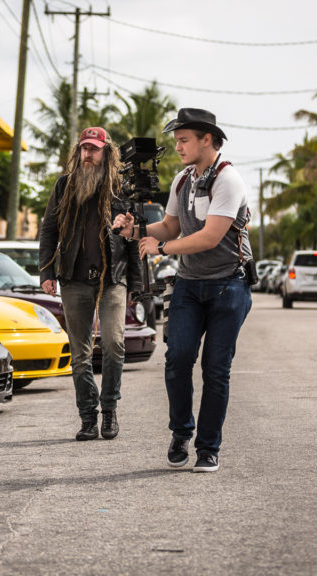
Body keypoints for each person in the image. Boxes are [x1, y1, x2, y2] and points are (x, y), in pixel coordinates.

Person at [113, 108, 253, 473]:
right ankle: (180, 433)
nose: (177, 146)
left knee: (215, 369)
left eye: (184, 139)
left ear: (207, 139)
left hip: (228, 286)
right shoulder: (182, 180)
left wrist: (159, 250)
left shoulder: (228, 180)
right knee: (177, 361)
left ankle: (208, 448)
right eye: (176, 140)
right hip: (190, 286)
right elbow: (171, 227)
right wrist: (135, 232)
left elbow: (209, 237)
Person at [39, 126, 143, 441]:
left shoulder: (120, 190)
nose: (88, 154)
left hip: (113, 279)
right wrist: (46, 272)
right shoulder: (63, 187)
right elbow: (49, 230)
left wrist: (136, 284)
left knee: (113, 344)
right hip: (73, 279)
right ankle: (88, 417)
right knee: (80, 353)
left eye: (94, 149)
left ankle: (109, 410)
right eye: (84, 148)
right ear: (78, 151)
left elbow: (134, 237)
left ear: (106, 152)